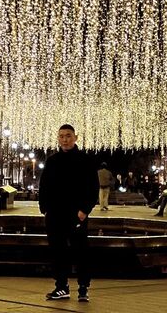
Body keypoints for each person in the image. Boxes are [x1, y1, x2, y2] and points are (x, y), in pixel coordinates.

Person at [39, 124, 99, 302]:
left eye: (68, 136)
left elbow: (92, 187)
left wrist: (84, 210)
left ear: (75, 138)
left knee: (80, 250)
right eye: (61, 136)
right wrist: (45, 208)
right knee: (57, 251)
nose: (64, 140)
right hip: (55, 213)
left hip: (76, 214)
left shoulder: (85, 160)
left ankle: (83, 287)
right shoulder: (52, 160)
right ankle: (61, 286)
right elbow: (44, 185)